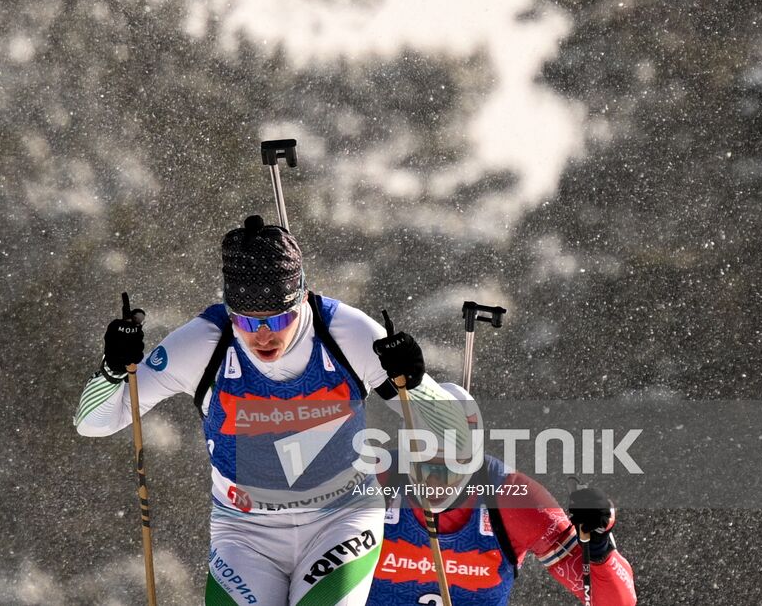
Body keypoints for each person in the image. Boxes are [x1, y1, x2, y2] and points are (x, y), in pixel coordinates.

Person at [74, 214, 471, 606]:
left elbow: (455, 438)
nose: (262, 335)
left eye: (279, 318)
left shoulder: (348, 334)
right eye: (246, 321)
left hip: (340, 520)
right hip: (245, 531)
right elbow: (94, 424)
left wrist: (418, 382)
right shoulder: (202, 344)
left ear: (302, 298)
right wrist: (111, 370)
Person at [365, 384, 637, 606]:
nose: (436, 485)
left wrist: (599, 545)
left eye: (450, 470)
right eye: (423, 469)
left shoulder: (512, 497)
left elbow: (614, 602)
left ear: (472, 460)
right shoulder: (374, 480)